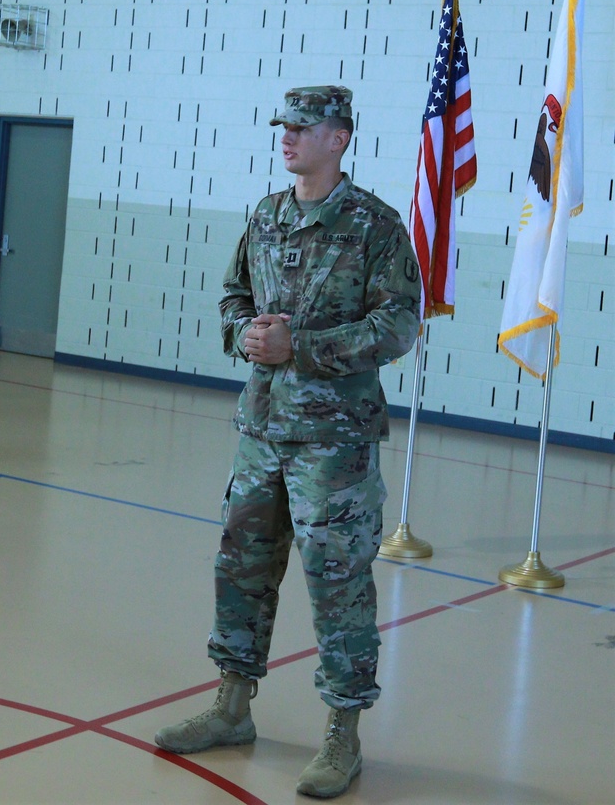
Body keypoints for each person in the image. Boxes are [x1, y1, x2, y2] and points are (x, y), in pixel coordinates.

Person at [154, 86, 421, 799]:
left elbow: (397, 328)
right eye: (285, 126)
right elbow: (232, 295)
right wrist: (240, 331)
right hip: (262, 430)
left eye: (303, 127)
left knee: (337, 583)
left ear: (339, 138)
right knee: (241, 566)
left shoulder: (375, 228)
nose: (288, 137)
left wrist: (299, 347)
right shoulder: (268, 214)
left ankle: (342, 731)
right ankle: (232, 705)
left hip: (333, 442)